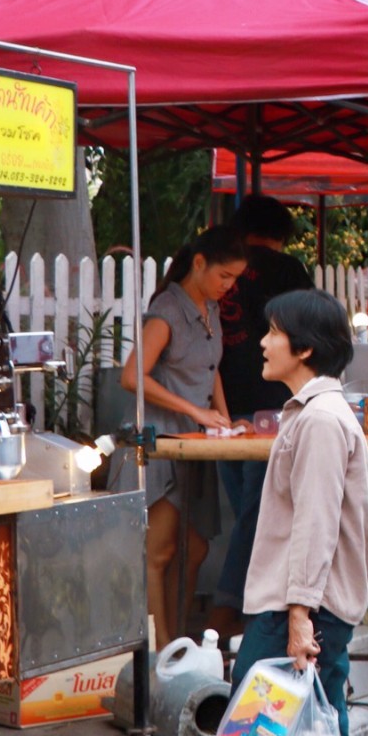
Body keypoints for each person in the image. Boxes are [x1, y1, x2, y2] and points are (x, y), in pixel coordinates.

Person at [160, 290, 368, 736]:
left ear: (303, 347)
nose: (260, 340)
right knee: (325, 733)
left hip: (299, 605)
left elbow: (315, 522)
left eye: (272, 330)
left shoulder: (318, 420)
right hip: (323, 604)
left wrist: (297, 614)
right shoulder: (324, 412)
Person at [120, 226, 248, 649]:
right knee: (157, 553)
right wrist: (195, 411)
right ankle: (160, 651)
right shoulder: (168, 309)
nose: (229, 287)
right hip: (162, 446)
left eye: (235, 280)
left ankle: (178, 642)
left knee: (193, 551)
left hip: (196, 447)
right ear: (199, 264)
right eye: (224, 277)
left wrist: (225, 422)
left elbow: (212, 374)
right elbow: (131, 375)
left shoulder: (210, 309)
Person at [212, 195, 314, 636]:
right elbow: (308, 328)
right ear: (280, 233)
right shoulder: (287, 270)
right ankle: (231, 612)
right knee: (259, 515)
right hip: (271, 405)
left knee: (247, 513)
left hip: (219, 402)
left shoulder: (223, 267)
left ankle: (242, 614)